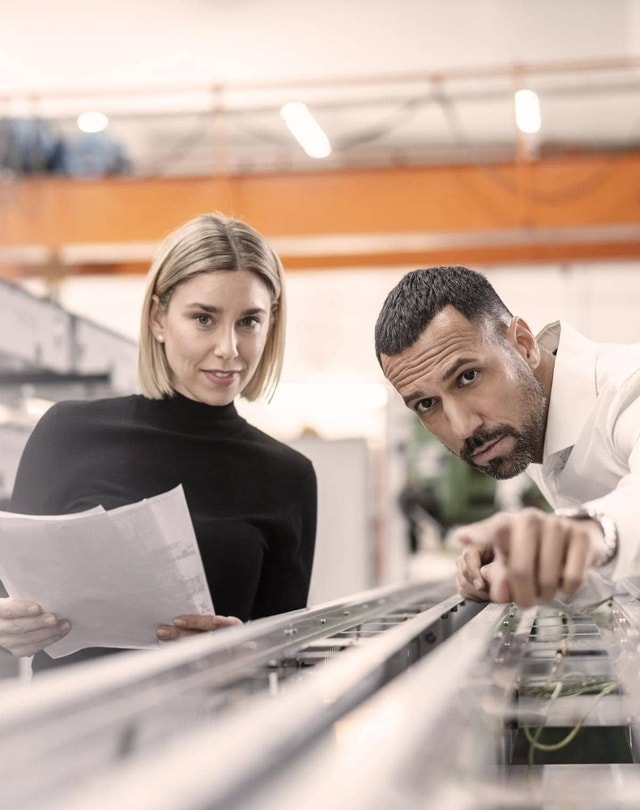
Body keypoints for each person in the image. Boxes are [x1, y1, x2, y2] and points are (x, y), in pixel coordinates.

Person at [0, 213, 317, 671]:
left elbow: (287, 663)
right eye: (204, 318)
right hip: (72, 731)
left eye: (249, 321)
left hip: (213, 732)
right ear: (159, 319)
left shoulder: (288, 475)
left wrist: (250, 650)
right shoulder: (67, 434)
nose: (229, 347)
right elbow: (10, 609)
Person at [374, 265, 640, 612]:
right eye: (427, 404)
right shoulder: (532, 431)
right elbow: (619, 578)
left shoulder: (626, 389)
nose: (462, 428)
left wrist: (592, 532)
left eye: (468, 376)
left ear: (525, 345)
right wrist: (518, 564)